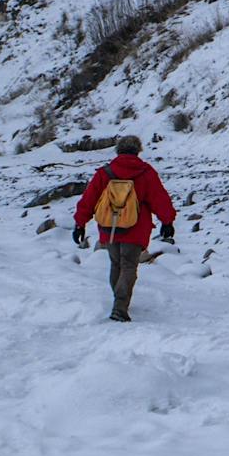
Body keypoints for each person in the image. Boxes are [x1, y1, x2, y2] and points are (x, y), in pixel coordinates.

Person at [71, 134, 175, 322]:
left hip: (109, 227)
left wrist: (80, 223)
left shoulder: (105, 172)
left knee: (116, 264)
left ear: (118, 150)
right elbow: (159, 198)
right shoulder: (146, 172)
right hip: (135, 228)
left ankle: (119, 300)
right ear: (138, 150)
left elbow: (88, 199)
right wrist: (167, 221)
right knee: (128, 266)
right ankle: (120, 306)